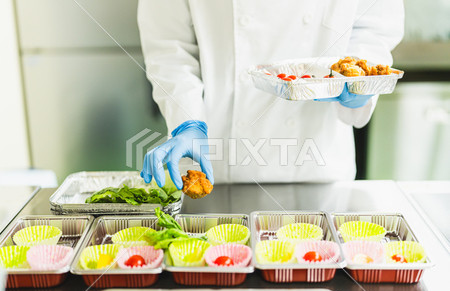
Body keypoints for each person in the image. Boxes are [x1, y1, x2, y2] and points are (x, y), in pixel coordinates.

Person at [138, 0, 404, 190]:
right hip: (218, 161)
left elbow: (374, 26)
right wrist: (188, 120)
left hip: (318, 168)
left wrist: (361, 81)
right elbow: (169, 49)